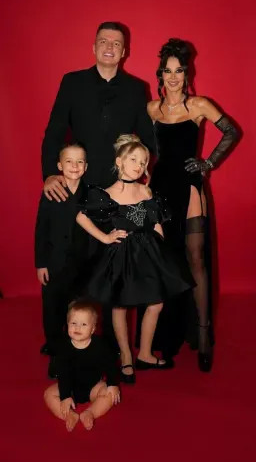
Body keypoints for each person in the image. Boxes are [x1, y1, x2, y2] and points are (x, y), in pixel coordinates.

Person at [147, 38, 239, 372]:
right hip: (160, 187)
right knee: (166, 260)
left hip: (188, 186)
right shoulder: (152, 109)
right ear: (160, 73)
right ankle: (167, 334)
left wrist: (208, 163)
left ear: (187, 74)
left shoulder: (198, 105)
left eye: (179, 71)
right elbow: (141, 146)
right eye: (168, 70)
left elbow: (231, 131)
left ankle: (202, 336)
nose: (173, 77)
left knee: (196, 259)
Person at [76, 134, 194, 384]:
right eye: (134, 160)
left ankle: (145, 353)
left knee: (156, 303)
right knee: (120, 305)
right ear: (119, 161)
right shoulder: (105, 194)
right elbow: (81, 217)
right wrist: (105, 237)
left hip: (149, 252)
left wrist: (161, 250)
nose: (140, 166)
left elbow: (155, 221)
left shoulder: (146, 190)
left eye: (143, 162)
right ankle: (127, 356)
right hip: (121, 253)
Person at [41, 21, 155, 200]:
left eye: (116, 43)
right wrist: (49, 174)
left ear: (123, 52)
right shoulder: (72, 83)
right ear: (94, 48)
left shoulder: (136, 89)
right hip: (77, 184)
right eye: (103, 41)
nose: (109, 47)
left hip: (120, 189)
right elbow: (55, 130)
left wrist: (153, 173)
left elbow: (148, 138)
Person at [35, 143, 89, 378]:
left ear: (86, 167)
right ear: (59, 166)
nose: (74, 166)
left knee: (79, 311)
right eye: (69, 161)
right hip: (55, 264)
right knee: (52, 310)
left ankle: (80, 352)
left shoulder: (91, 194)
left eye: (79, 162)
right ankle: (56, 353)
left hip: (82, 265)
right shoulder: (50, 192)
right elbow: (41, 229)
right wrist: (41, 263)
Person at [44, 300, 120, 432]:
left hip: (93, 387)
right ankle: (69, 415)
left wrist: (112, 383)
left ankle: (90, 412)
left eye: (84, 324)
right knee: (48, 394)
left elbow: (111, 365)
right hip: (70, 388)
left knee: (110, 395)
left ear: (93, 329)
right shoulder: (63, 347)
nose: (77, 328)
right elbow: (63, 373)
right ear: (67, 324)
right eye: (73, 323)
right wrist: (65, 396)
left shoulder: (100, 345)